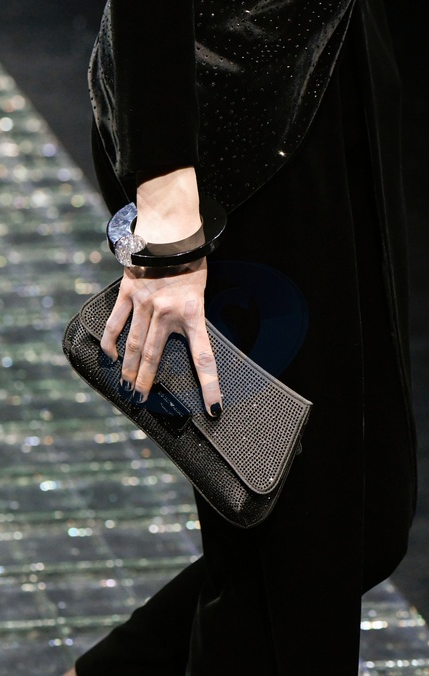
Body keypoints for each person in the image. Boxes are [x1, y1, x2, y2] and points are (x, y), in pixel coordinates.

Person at [64, 0, 416, 674]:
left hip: (339, 63)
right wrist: (166, 213)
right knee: (294, 545)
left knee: (364, 517)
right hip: (234, 122)